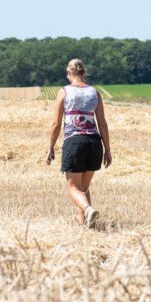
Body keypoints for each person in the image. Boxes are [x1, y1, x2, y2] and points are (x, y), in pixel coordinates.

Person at [46, 59, 112, 228]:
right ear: (84, 73)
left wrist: (50, 147)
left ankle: (88, 210)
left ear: (69, 74)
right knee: (83, 188)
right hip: (94, 144)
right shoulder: (94, 92)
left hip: (75, 143)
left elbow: (56, 123)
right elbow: (102, 123)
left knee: (73, 189)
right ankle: (86, 225)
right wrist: (107, 150)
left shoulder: (64, 92)